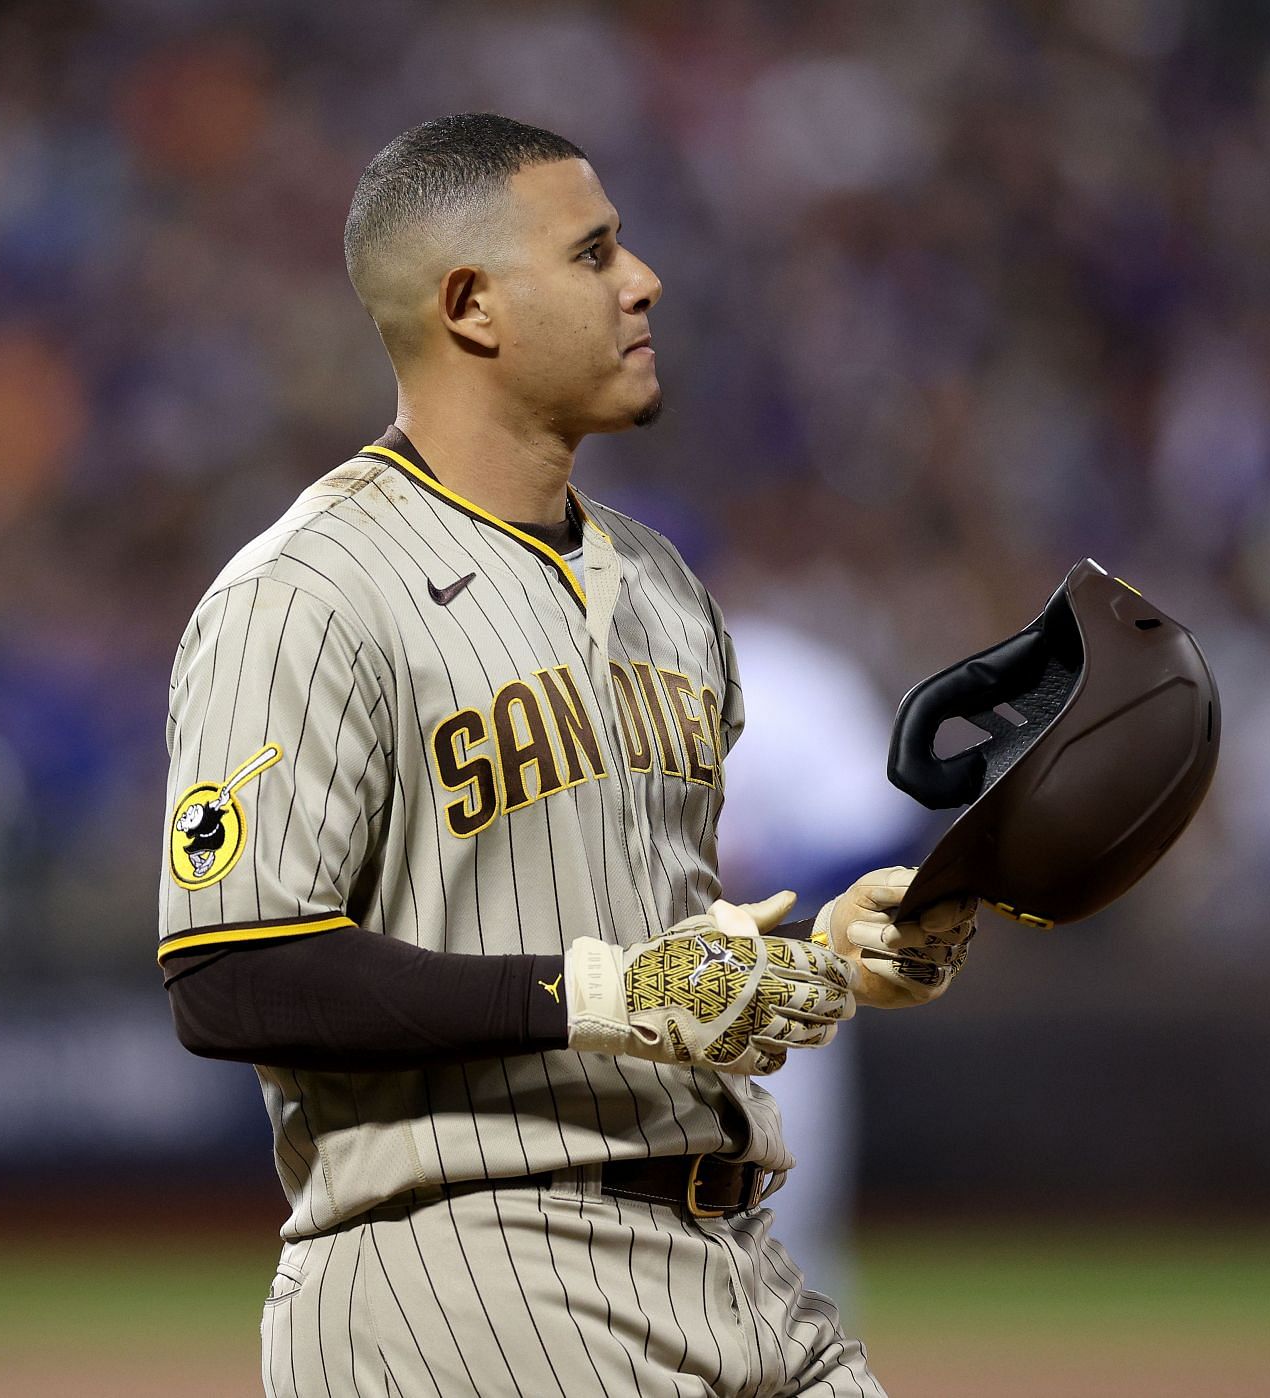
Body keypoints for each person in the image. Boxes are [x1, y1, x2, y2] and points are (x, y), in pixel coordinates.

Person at [157, 113, 976, 1398]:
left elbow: (648, 941)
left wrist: (815, 955)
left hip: (736, 1258)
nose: (642, 279)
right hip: (471, 1273)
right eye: (593, 254)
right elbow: (231, 974)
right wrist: (594, 999)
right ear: (471, 305)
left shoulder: (662, 588)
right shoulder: (306, 593)